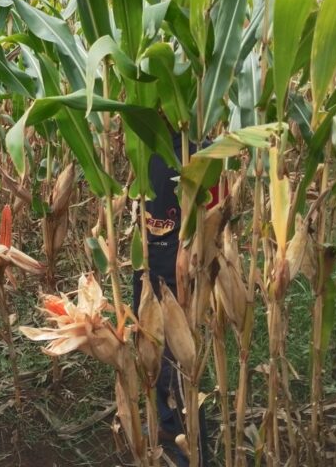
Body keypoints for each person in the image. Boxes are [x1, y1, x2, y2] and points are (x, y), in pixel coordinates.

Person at [133, 132, 211, 467]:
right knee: (150, 345)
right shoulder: (141, 138)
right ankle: (167, 421)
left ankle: (195, 448)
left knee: (180, 360)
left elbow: (212, 207)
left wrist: (190, 257)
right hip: (146, 261)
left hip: (177, 266)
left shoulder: (198, 148)